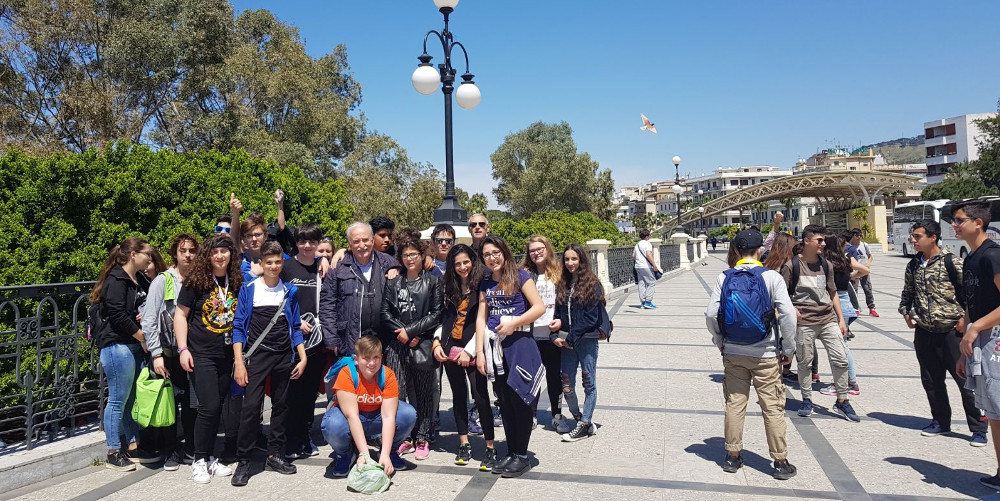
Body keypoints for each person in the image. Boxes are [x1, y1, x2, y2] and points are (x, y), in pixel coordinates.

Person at [705, 228, 798, 480]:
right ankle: (780, 461)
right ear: (760, 250)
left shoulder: (724, 277)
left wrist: (720, 340)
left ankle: (732, 457)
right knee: (772, 407)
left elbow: (711, 314)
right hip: (766, 353)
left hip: (734, 351)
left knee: (735, 404)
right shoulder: (771, 277)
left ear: (736, 250)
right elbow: (788, 315)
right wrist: (788, 348)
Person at [900, 220, 987, 446]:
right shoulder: (913, 265)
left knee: (965, 381)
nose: (913, 240)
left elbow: (970, 294)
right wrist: (905, 312)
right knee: (931, 380)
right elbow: (907, 292)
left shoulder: (952, 262)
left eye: (918, 236)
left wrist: (964, 320)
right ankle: (940, 421)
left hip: (952, 332)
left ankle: (979, 428)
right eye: (913, 236)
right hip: (925, 331)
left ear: (933, 237)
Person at [230, 241, 307, 486]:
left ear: (282, 263)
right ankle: (244, 460)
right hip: (257, 356)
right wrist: (239, 362)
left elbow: (295, 326)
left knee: (282, 406)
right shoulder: (249, 288)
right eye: (269, 262)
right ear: (261, 264)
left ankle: (275, 455)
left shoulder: (289, 291)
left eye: (278, 262)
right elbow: (239, 327)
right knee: (251, 408)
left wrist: (302, 355)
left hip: (284, 355)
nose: (274, 266)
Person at [475, 235, 546, 478]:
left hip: (519, 345)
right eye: (486, 254)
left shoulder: (520, 276)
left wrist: (515, 323)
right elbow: (481, 318)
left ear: (504, 252)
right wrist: (480, 353)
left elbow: (538, 307)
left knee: (520, 399)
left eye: (495, 252)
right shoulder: (485, 283)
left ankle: (522, 455)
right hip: (495, 349)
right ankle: (512, 451)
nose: (492, 258)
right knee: (503, 400)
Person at [173, 235, 241, 484]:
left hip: (226, 354)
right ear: (208, 255)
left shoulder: (235, 280)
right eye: (215, 252)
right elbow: (180, 315)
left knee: (219, 407)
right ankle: (199, 460)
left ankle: (210, 456)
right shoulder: (196, 281)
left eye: (225, 251)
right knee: (208, 406)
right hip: (201, 353)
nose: (220, 256)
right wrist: (183, 349)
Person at [781, 225, 859, 422]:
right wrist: (793, 309)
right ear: (806, 241)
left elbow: (832, 292)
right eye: (819, 240)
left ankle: (842, 400)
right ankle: (807, 399)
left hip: (827, 319)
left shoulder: (826, 265)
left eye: (824, 240)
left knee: (840, 358)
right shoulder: (792, 266)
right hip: (804, 323)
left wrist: (841, 319)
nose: (823, 244)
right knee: (805, 363)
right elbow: (782, 295)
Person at [91, 237, 157, 471]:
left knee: (130, 400)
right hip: (117, 346)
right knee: (118, 400)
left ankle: (133, 445)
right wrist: (143, 337)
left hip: (133, 344)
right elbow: (117, 316)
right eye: (146, 254)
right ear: (133, 255)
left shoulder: (138, 278)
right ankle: (112, 451)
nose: (149, 258)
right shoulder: (116, 280)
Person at [379, 232, 443, 460]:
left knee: (425, 392)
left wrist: (412, 332)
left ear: (421, 255)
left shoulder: (433, 282)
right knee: (400, 391)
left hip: (422, 343)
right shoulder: (393, 282)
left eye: (414, 254)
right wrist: (402, 333)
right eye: (405, 255)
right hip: (397, 345)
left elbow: (436, 314)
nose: (410, 259)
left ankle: (424, 436)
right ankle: (405, 436)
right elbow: (384, 312)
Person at [952, 200, 1000, 491]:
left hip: (994, 337)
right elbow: (972, 302)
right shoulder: (971, 258)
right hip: (978, 338)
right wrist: (966, 338)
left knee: (998, 406)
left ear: (977, 223)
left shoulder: (992, 256)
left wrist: (977, 329)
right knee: (993, 409)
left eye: (959, 220)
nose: (954, 225)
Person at [142, 234, 200, 470]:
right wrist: (156, 354)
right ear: (175, 253)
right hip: (167, 353)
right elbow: (149, 320)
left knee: (191, 404)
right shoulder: (163, 281)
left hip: (193, 353)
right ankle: (170, 451)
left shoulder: (200, 279)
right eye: (183, 250)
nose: (188, 255)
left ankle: (191, 450)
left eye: (192, 250)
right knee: (168, 404)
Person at [321, 336, 415, 478]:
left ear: (381, 357)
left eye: (376, 357)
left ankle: (389, 451)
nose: (372, 363)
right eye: (366, 358)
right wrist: (365, 454)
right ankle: (346, 454)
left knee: (408, 414)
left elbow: (389, 416)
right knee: (331, 425)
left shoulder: (387, 374)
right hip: (351, 419)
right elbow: (352, 416)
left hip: (377, 417)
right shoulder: (347, 374)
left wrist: (384, 454)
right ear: (357, 359)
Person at [438, 244, 498, 469]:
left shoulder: (482, 285)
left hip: (475, 347)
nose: (463, 267)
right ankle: (463, 442)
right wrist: (437, 341)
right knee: (458, 395)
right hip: (451, 346)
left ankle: (490, 446)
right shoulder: (449, 287)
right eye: (457, 263)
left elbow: (486, 321)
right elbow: (443, 318)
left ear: (473, 262)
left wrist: (470, 350)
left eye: (466, 262)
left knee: (481, 396)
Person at [551, 243, 606, 442]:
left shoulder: (593, 284)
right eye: (567, 259)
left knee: (588, 383)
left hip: (586, 341)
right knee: (567, 385)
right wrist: (554, 336)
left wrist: (571, 337)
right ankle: (581, 420)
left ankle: (583, 424)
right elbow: (556, 314)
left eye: (574, 259)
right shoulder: (562, 284)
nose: (570, 263)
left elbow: (591, 319)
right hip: (567, 342)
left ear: (581, 260)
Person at [281, 223, 327, 460]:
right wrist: (295, 320)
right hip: (292, 340)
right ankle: (289, 440)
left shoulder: (322, 268)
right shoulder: (286, 267)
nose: (307, 246)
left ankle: (304, 436)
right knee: (291, 393)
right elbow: (276, 299)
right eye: (302, 241)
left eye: (312, 241)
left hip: (316, 342)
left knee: (309, 394)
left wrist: (326, 260)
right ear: (296, 243)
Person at [320, 222, 400, 357]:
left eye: (365, 240)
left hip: (384, 340)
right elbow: (327, 305)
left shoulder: (389, 263)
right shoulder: (338, 268)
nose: (362, 245)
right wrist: (331, 338)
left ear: (372, 241)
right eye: (356, 241)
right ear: (349, 244)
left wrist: (398, 268)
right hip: (349, 339)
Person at [521, 235, 565, 432]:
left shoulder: (559, 273)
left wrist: (562, 321)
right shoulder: (523, 274)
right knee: (531, 377)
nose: (536, 253)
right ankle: (531, 414)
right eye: (532, 250)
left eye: (540, 249)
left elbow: (565, 302)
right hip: (530, 334)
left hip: (552, 334)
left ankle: (556, 414)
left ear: (547, 249)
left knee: (555, 377)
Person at [817, 235, 866, 397]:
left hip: (837, 306)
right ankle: (848, 382)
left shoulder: (828, 264)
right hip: (846, 304)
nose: (821, 245)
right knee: (842, 346)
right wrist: (851, 277)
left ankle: (848, 383)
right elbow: (865, 270)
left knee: (840, 347)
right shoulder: (845, 262)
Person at [764, 233, 800, 383]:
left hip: (770, 311)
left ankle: (780, 369)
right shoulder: (787, 266)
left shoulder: (768, 265)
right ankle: (786, 369)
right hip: (784, 310)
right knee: (791, 339)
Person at [848, 230, 878, 317]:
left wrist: (867, 265)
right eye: (856, 235)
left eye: (860, 235)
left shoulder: (864, 245)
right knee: (854, 290)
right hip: (855, 271)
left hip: (864, 271)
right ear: (852, 236)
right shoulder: (849, 246)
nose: (859, 237)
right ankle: (855, 308)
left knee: (868, 289)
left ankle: (872, 308)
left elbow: (870, 257)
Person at [633, 229, 662, 309]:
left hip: (638, 266)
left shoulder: (637, 245)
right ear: (647, 236)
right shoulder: (647, 244)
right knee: (651, 282)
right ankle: (648, 301)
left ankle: (642, 302)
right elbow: (648, 254)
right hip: (645, 266)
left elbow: (633, 256)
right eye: (649, 236)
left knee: (641, 283)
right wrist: (654, 265)